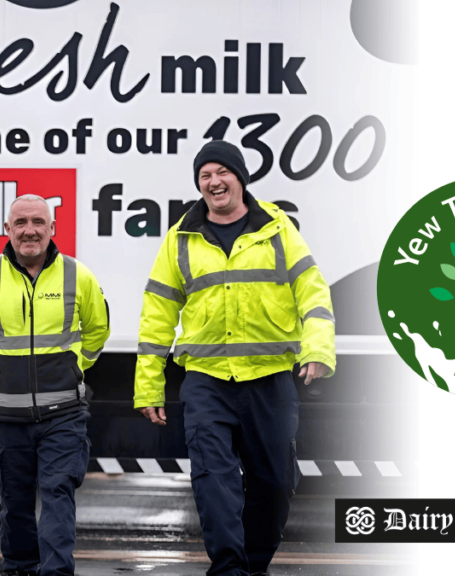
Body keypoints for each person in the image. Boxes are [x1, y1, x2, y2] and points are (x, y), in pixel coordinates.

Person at [135, 140, 336, 576]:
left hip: (269, 378)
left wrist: (317, 348)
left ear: (240, 178)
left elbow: (313, 293)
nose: (213, 181)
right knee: (213, 480)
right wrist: (148, 385)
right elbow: (156, 316)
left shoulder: (277, 229)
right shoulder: (181, 238)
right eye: (204, 175)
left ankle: (253, 564)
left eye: (221, 172)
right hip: (207, 379)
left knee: (275, 482)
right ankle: (228, 568)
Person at [0, 195, 109, 576]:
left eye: (38, 222)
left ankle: (57, 572)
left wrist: (75, 366)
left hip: (64, 413)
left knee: (58, 495)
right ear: (7, 230)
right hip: (8, 416)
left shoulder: (79, 275)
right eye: (22, 222)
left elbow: (97, 331)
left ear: (52, 229)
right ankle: (20, 568)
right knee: (14, 503)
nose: (30, 230)